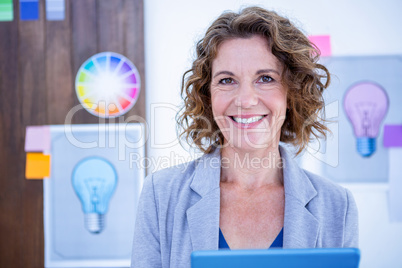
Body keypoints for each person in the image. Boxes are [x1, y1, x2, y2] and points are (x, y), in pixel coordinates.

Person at [131, 6, 358, 268]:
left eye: (265, 78)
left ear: (291, 92)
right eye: (227, 80)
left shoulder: (336, 206)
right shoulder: (161, 195)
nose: (246, 100)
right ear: (208, 96)